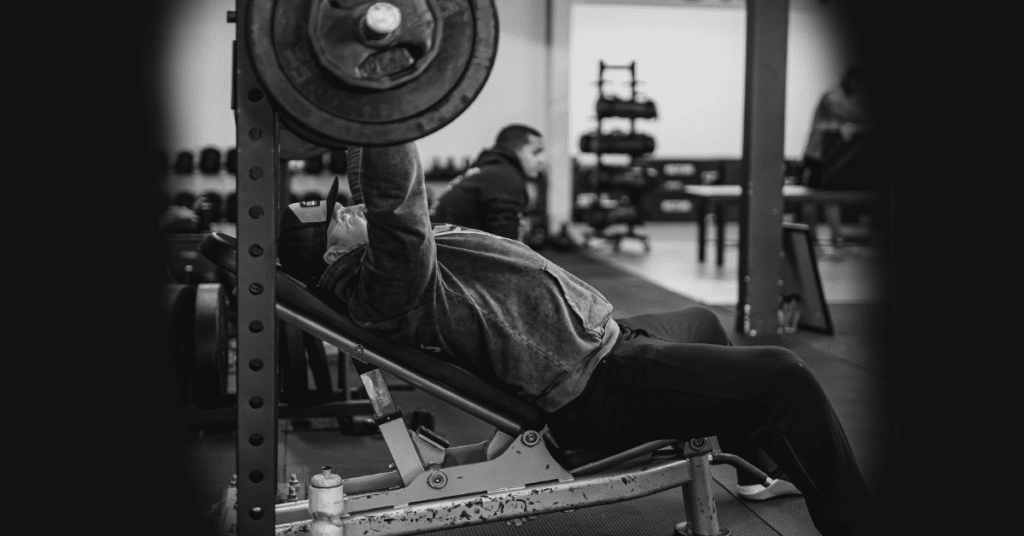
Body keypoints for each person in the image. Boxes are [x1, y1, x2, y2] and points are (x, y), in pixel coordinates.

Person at [276, 143, 877, 536]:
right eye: (339, 213)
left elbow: (379, 198)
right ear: (332, 250)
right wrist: (389, 110)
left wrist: (361, 110)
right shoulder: (384, 284)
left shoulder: (382, 265)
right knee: (783, 375)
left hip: (603, 340)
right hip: (594, 387)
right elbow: (394, 205)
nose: (352, 207)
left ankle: (756, 470)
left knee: (701, 321)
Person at [800, 66, 875, 248]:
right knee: (810, 198)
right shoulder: (833, 96)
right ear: (849, 80)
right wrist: (863, 120)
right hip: (815, 155)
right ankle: (810, 238)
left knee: (830, 196)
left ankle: (836, 237)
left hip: (827, 157)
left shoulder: (842, 98)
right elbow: (840, 111)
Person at [429, 124, 545, 241]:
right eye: (536, 152)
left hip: (438, 249)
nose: (542, 160)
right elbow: (506, 246)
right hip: (444, 254)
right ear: (515, 150)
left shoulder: (487, 171)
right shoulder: (503, 176)